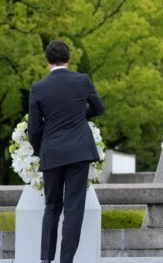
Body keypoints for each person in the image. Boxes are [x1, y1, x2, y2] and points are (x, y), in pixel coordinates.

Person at [28, 40, 105, 263]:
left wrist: (38, 150)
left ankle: (45, 259)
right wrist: (80, 114)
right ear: (69, 59)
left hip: (51, 151)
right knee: (74, 206)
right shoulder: (81, 80)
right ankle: (66, 260)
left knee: (51, 206)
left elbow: (34, 128)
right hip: (79, 151)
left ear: (47, 61)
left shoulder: (38, 87)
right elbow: (99, 108)